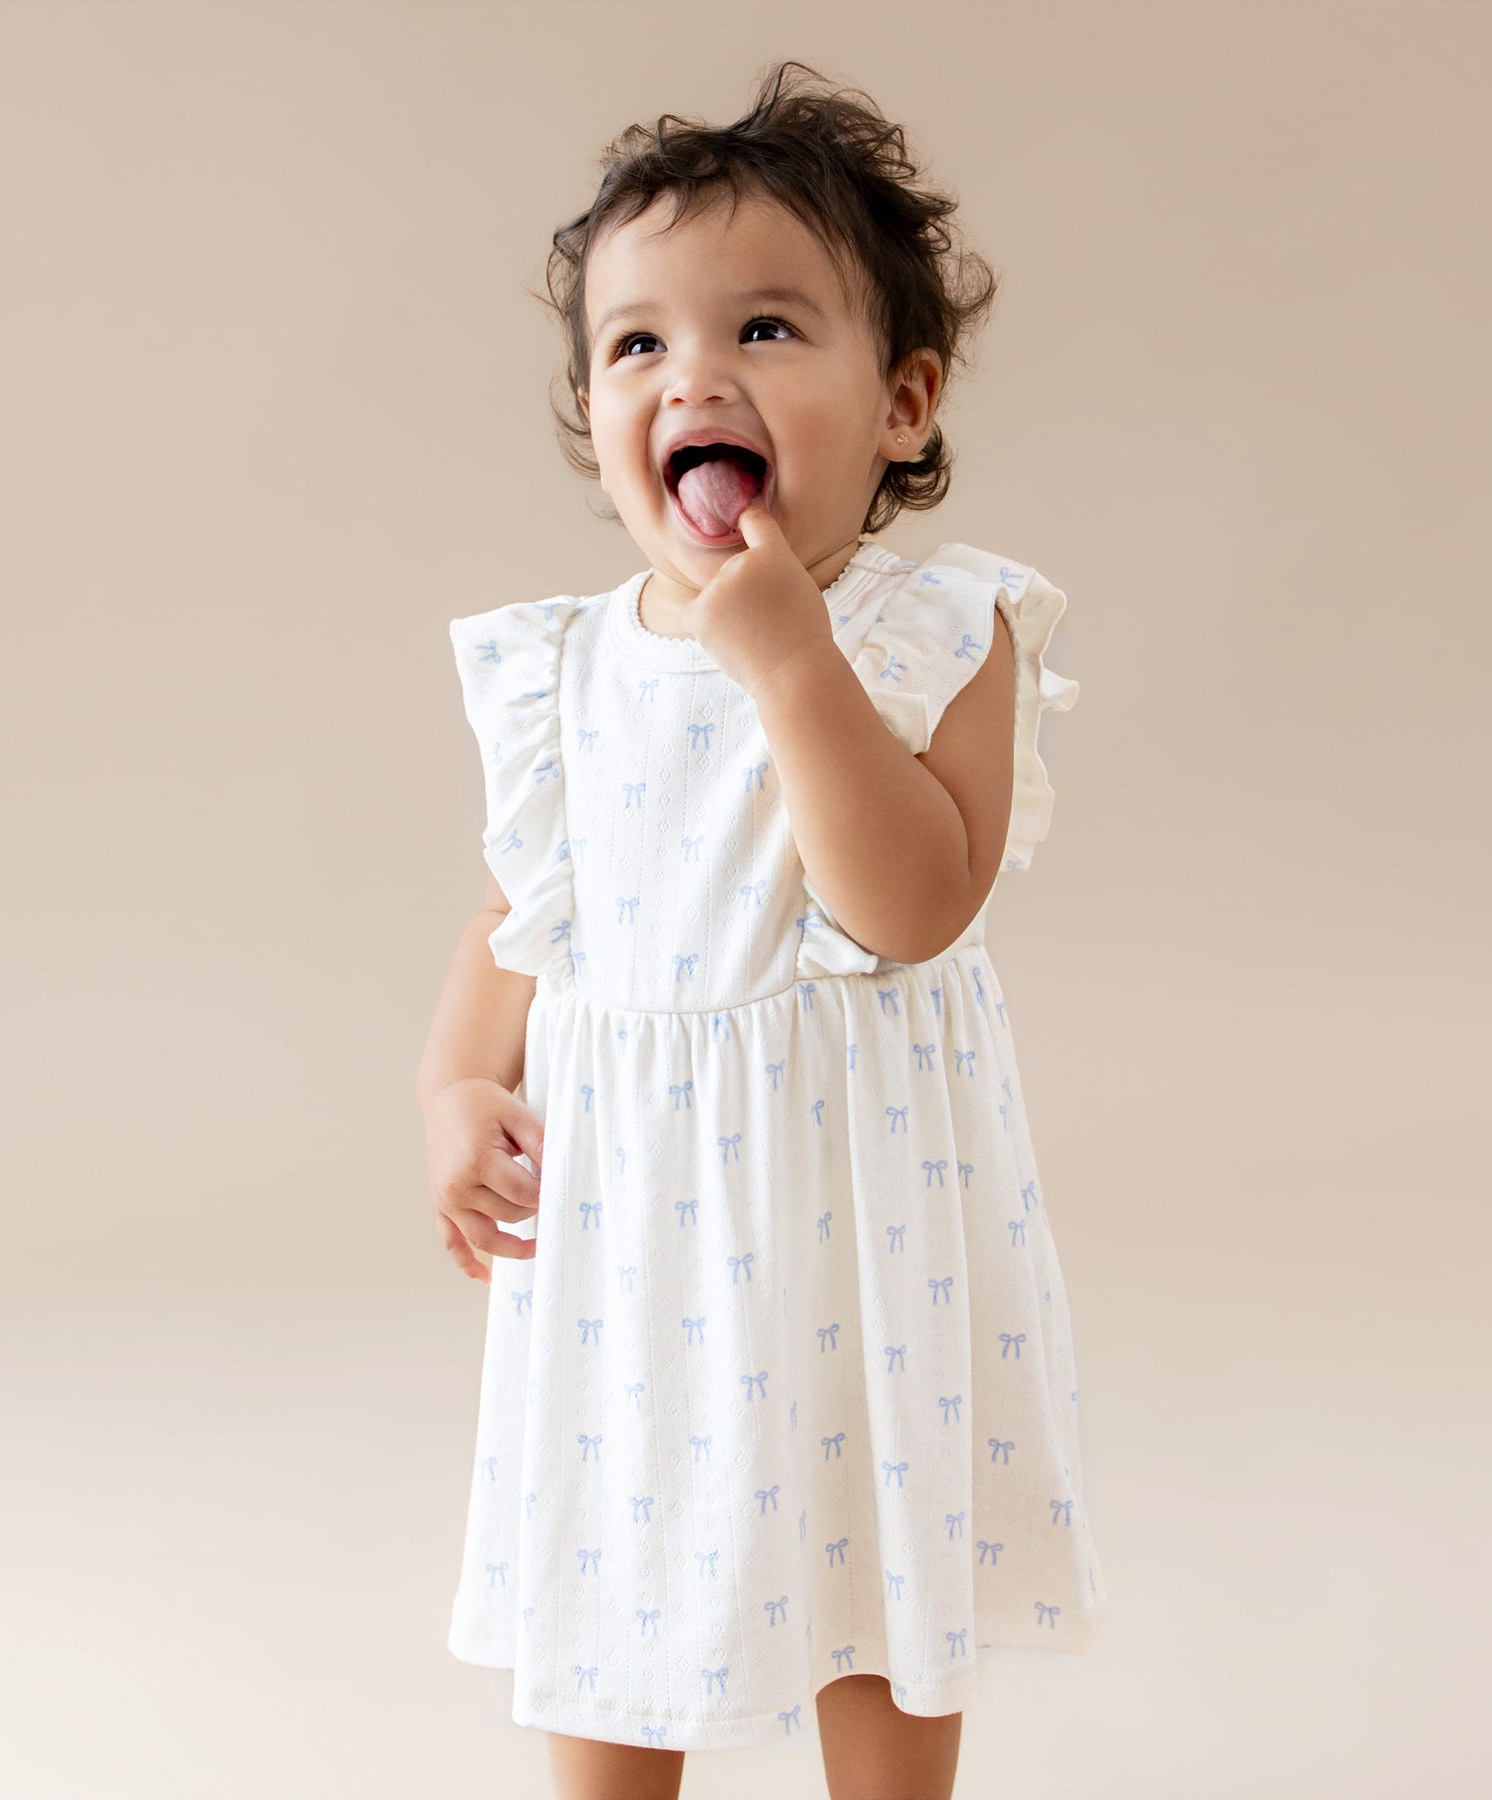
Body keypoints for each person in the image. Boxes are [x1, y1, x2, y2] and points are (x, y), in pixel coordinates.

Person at [415, 59, 1107, 1800]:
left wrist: (790, 661)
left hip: (858, 1211)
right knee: (612, 1561)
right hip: (628, 1219)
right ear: (596, 415)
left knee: (869, 1557)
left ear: (903, 401)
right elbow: (524, 911)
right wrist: (453, 1084)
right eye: (637, 345)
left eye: (770, 330)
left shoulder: (930, 632)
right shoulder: (569, 663)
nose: (695, 374)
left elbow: (914, 902)